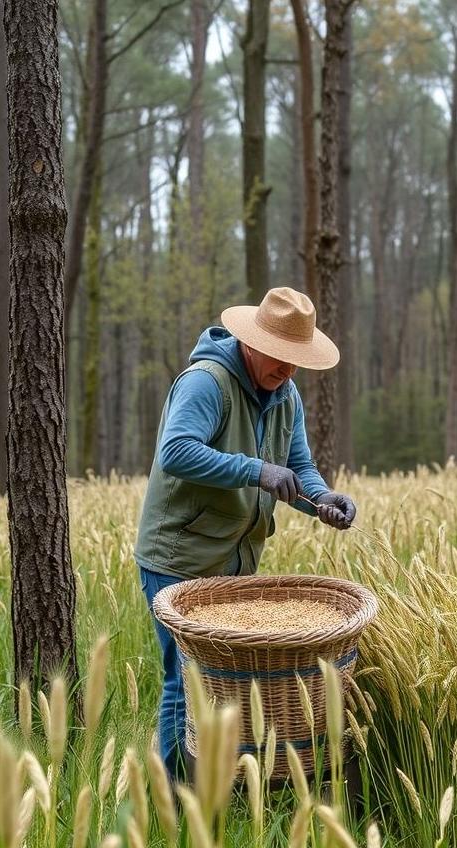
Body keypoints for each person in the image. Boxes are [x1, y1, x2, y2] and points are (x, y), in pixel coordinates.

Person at [134, 286, 356, 779]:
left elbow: (298, 467)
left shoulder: (286, 394)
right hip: (178, 555)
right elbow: (176, 451)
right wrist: (255, 470)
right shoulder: (206, 382)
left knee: (223, 683)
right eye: (280, 358)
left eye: (297, 361)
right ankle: (175, 793)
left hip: (235, 560)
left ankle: (220, 782)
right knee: (183, 680)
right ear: (250, 343)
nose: (288, 370)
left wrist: (324, 501)